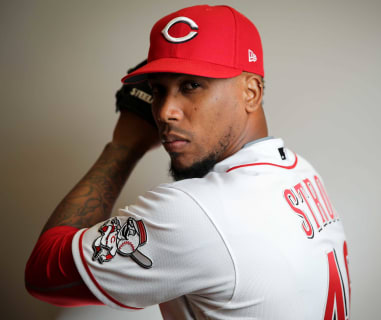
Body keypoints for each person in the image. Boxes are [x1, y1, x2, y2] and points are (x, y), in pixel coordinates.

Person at [25, 5, 351, 319]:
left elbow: (43, 272)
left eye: (191, 86)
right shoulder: (299, 170)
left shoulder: (193, 212)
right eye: (157, 90)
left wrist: (123, 147)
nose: (165, 111)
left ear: (251, 92)